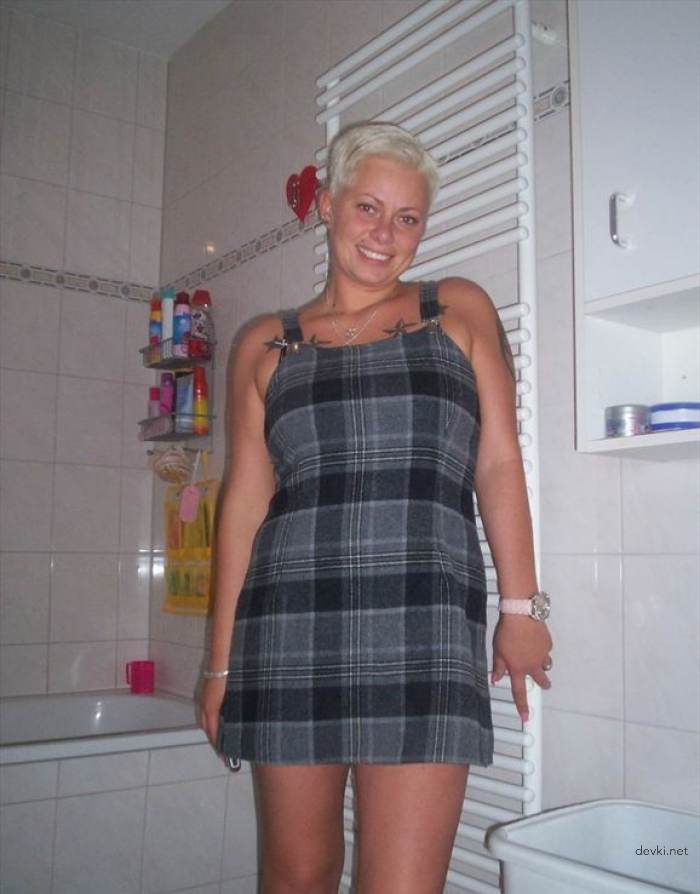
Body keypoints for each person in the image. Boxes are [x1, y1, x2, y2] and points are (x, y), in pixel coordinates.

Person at [199, 121, 553, 894]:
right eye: (367, 208)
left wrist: (521, 606)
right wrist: (220, 665)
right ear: (327, 206)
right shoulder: (265, 345)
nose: (385, 234)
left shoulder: (456, 308)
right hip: (289, 627)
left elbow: (498, 461)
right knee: (297, 876)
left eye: (407, 218)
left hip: (424, 622)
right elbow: (246, 506)